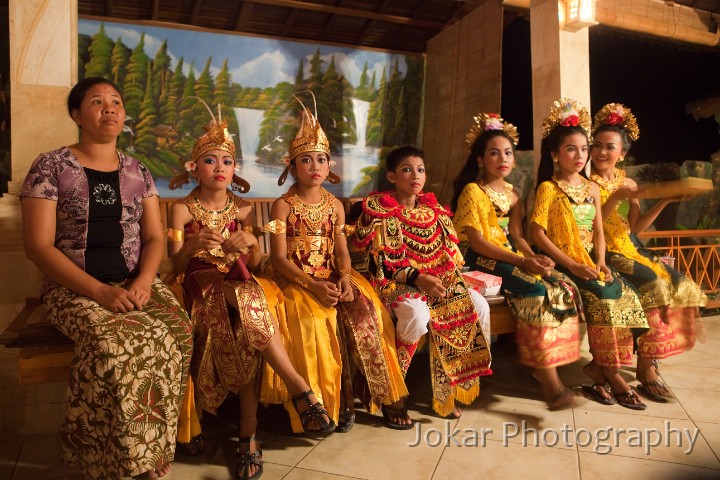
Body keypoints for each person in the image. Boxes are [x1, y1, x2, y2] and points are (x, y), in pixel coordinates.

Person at [20, 77, 193, 480]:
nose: (109, 108)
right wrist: (99, 291)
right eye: (97, 102)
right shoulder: (50, 166)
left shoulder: (139, 170)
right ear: (78, 115)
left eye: (116, 101)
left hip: (135, 280)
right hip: (73, 289)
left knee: (179, 331)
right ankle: (113, 460)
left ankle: (148, 451)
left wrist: (145, 281)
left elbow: (153, 238)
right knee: (115, 344)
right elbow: (38, 247)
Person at [167, 101, 341, 479]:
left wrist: (246, 244)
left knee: (248, 326)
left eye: (227, 161)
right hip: (197, 287)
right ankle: (297, 388)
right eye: (210, 161)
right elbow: (173, 268)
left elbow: (259, 265)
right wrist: (193, 248)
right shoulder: (181, 211)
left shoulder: (244, 210)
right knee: (250, 299)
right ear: (193, 168)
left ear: (235, 169)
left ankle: (249, 434)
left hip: (237, 283)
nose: (220, 169)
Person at [260, 94, 411, 432]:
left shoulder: (336, 206)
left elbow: (341, 249)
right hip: (292, 277)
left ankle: (385, 396)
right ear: (292, 166)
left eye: (321, 160)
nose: (315, 167)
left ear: (329, 167)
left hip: (332, 274)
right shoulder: (280, 207)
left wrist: (344, 277)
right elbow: (277, 257)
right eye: (306, 160)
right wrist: (312, 285)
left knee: (369, 309)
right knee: (313, 319)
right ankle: (325, 406)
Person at [451, 113, 582, 410]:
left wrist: (532, 256)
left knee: (560, 283)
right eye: (494, 153)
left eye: (508, 152)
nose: (503, 159)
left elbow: (518, 235)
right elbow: (477, 241)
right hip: (474, 256)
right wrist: (521, 264)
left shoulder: (513, 195)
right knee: (533, 289)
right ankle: (552, 387)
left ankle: (544, 366)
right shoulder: (473, 190)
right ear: (481, 159)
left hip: (504, 252)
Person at [352, 145, 492, 418]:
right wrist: (419, 278)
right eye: (407, 169)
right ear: (392, 177)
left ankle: (451, 387)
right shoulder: (382, 210)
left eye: (420, 169)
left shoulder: (435, 211)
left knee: (479, 305)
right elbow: (384, 264)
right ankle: (395, 387)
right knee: (417, 315)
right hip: (394, 282)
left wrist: (446, 280)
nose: (415, 175)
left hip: (437, 280)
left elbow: (449, 256)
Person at [530, 98, 649, 410]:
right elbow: (537, 234)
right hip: (563, 262)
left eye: (584, 149)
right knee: (601, 299)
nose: (581, 155)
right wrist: (571, 264)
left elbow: (599, 231)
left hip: (589, 261)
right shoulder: (548, 189)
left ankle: (603, 368)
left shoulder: (593, 188)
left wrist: (599, 262)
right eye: (571, 149)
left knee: (624, 294)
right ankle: (611, 373)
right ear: (555, 154)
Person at [588, 103, 706, 402]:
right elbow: (593, 223)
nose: (602, 152)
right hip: (604, 248)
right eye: (597, 145)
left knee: (680, 283)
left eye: (609, 147)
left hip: (631, 245)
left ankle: (651, 362)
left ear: (622, 153)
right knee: (654, 283)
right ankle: (644, 370)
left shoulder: (629, 181)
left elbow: (636, 227)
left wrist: (666, 200)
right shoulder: (587, 183)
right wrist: (616, 197)